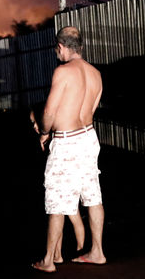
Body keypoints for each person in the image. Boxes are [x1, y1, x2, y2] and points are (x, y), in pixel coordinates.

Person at [32, 26, 105, 273]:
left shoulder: (62, 72)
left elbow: (50, 112)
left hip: (66, 142)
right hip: (89, 138)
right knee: (93, 196)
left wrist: (44, 132)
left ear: (61, 47)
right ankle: (97, 252)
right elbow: (90, 111)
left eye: (57, 50)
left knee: (57, 200)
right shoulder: (95, 74)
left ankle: (49, 260)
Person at [29, 106, 85, 263]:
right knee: (66, 216)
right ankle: (60, 254)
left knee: (62, 215)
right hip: (70, 178)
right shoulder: (56, 136)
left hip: (63, 181)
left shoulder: (54, 138)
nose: (34, 126)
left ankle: (78, 249)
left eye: (35, 122)